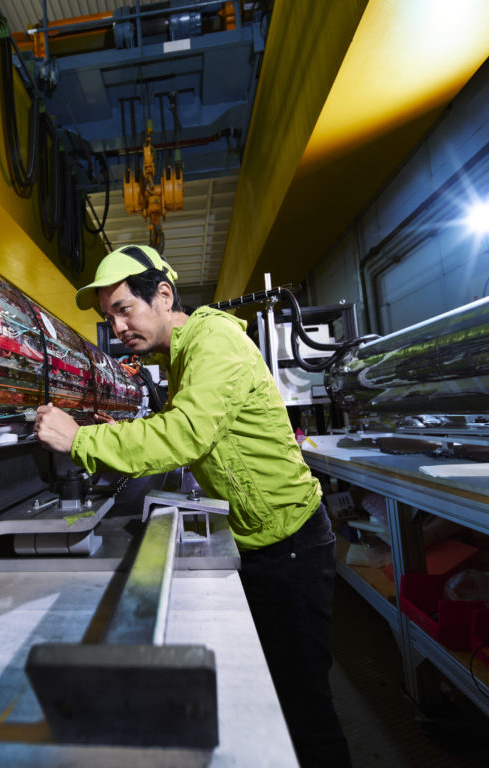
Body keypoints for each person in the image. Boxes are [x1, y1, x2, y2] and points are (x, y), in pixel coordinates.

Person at [33, 244, 351, 768]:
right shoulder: (180, 357)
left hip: (291, 547)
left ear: (163, 295)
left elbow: (185, 434)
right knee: (276, 692)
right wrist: (121, 432)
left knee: (304, 707)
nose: (117, 328)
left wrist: (80, 440)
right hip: (262, 545)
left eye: (123, 309)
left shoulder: (213, 340)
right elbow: (186, 425)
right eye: (109, 318)